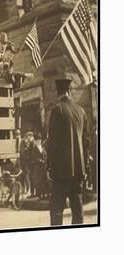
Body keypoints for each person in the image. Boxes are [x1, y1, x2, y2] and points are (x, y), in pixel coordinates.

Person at [46, 73, 91, 225]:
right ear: (69, 91)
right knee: (77, 209)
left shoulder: (57, 110)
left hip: (61, 171)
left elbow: (52, 142)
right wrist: (85, 167)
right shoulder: (81, 111)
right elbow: (86, 142)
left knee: (56, 210)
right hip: (78, 170)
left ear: (58, 93)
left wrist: (49, 166)